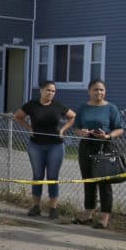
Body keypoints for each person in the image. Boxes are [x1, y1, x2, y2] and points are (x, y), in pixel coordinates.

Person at [13, 81, 76, 218]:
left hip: (55, 146)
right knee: (38, 176)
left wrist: (63, 130)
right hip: (36, 145)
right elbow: (17, 116)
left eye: (53, 91)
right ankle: (36, 207)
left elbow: (73, 116)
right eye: (48, 90)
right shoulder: (32, 105)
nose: (50, 93)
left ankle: (53, 208)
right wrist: (29, 128)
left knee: (53, 177)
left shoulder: (58, 106)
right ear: (41, 90)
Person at [73, 79, 125, 229]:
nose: (99, 92)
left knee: (104, 183)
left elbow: (120, 129)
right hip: (86, 146)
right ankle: (88, 213)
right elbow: (76, 128)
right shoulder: (83, 108)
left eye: (101, 90)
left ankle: (104, 217)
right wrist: (81, 132)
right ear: (89, 91)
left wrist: (108, 136)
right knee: (88, 181)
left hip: (104, 147)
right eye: (95, 89)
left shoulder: (111, 108)